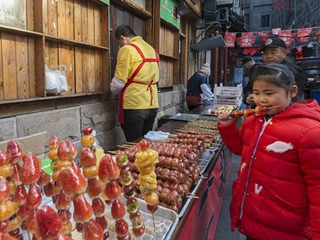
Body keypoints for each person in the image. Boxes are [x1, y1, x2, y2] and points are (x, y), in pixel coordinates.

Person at [217, 63, 320, 239]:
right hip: (253, 213)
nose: (262, 100)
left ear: (292, 92)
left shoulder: (310, 131)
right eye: (256, 93)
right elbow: (241, 149)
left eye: (269, 93)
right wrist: (227, 126)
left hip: (287, 224)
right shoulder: (253, 120)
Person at [110, 25, 160, 142]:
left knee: (134, 146)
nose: (120, 46)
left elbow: (119, 82)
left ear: (122, 38)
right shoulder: (152, 50)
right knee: (146, 144)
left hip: (135, 105)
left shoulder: (127, 49)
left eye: (119, 43)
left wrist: (111, 91)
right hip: (152, 105)